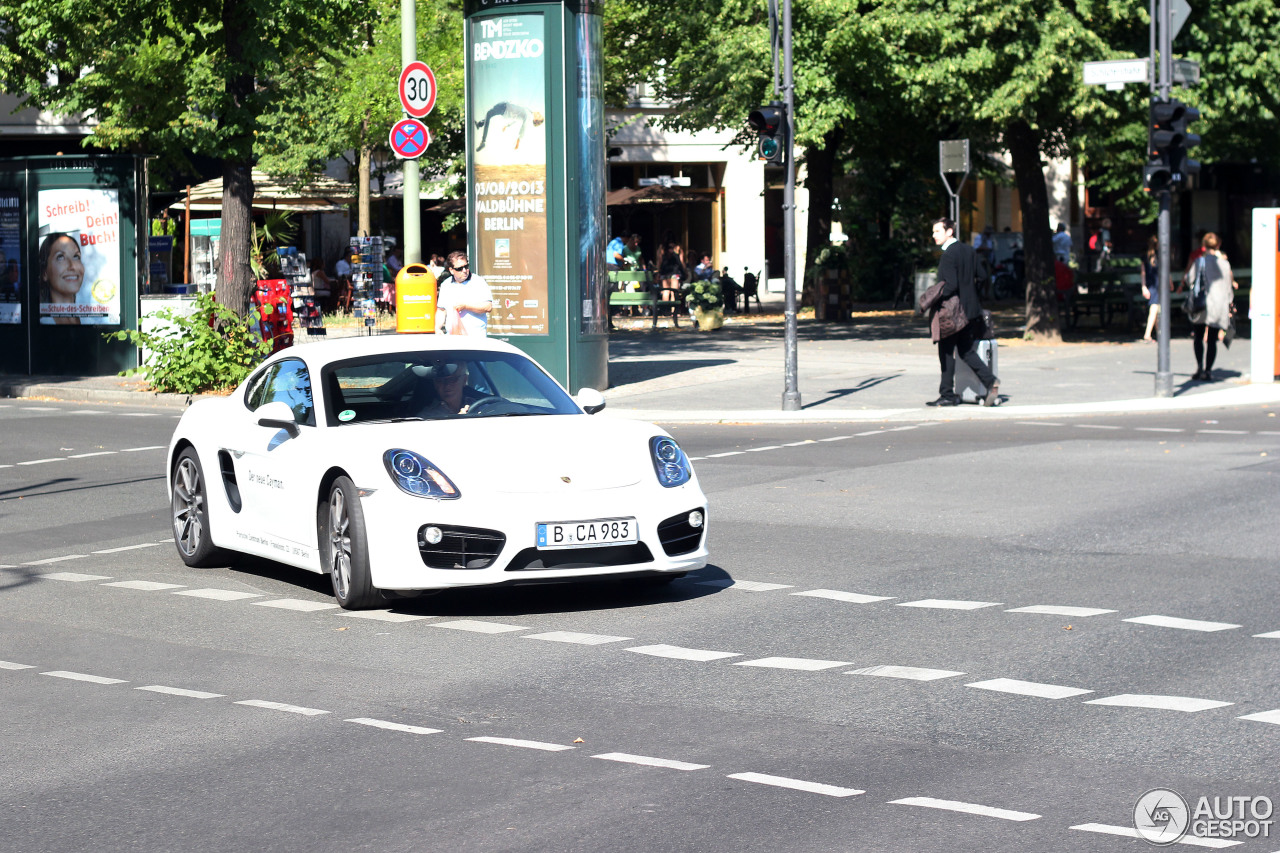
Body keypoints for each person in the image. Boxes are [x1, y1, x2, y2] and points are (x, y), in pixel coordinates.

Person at [927, 217, 999, 407]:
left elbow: (950, 286)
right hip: (971, 310)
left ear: (949, 231)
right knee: (966, 351)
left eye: (937, 231)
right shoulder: (969, 250)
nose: (933, 235)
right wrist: (972, 295)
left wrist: (933, 297)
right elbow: (983, 276)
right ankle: (990, 381)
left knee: (946, 351)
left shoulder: (949, 254)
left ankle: (947, 394)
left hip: (953, 313)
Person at [1186, 231, 1236, 381]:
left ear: (1203, 245)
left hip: (1201, 305)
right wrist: (1229, 305)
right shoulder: (1225, 264)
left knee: (1198, 337)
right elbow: (1229, 287)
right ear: (1218, 245)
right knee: (1212, 340)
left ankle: (1199, 367)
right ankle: (1208, 370)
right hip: (1218, 305)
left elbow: (1189, 280)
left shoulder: (1200, 262)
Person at [436, 251, 493, 336]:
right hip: (453, 336)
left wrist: (466, 306)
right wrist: (437, 328)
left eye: (466, 266)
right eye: (459, 268)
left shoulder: (478, 282)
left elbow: (488, 307)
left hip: (475, 336)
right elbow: (441, 310)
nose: (464, 270)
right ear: (451, 270)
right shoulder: (446, 285)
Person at [38, 232, 84, 325]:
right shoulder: (43, 323)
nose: (72, 266)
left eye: (76, 256)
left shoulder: (91, 318)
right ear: (45, 273)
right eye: (60, 257)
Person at [475, 102, 544, 152]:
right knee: (490, 115)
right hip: (505, 107)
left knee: (489, 114)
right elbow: (516, 119)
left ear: (535, 120)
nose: (538, 113)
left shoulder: (529, 116)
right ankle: (479, 124)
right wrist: (507, 126)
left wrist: (518, 140)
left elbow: (524, 128)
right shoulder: (529, 111)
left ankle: (483, 141)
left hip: (505, 108)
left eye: (539, 116)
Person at [1140, 235, 1162, 342]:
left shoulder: (1146, 256)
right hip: (1157, 285)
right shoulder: (1160, 256)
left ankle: (1160, 333)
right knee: (1154, 308)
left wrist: (1144, 286)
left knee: (1156, 308)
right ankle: (1147, 333)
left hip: (1151, 285)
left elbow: (1143, 273)